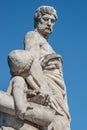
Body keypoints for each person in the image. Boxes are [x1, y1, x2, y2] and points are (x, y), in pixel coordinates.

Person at [1, 6, 71, 130]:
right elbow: (32, 63)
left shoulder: (47, 43)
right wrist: (43, 87)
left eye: (52, 21)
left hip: (57, 85)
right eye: (46, 19)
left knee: (62, 121)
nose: (49, 23)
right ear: (38, 20)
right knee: (58, 122)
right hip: (47, 83)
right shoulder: (32, 36)